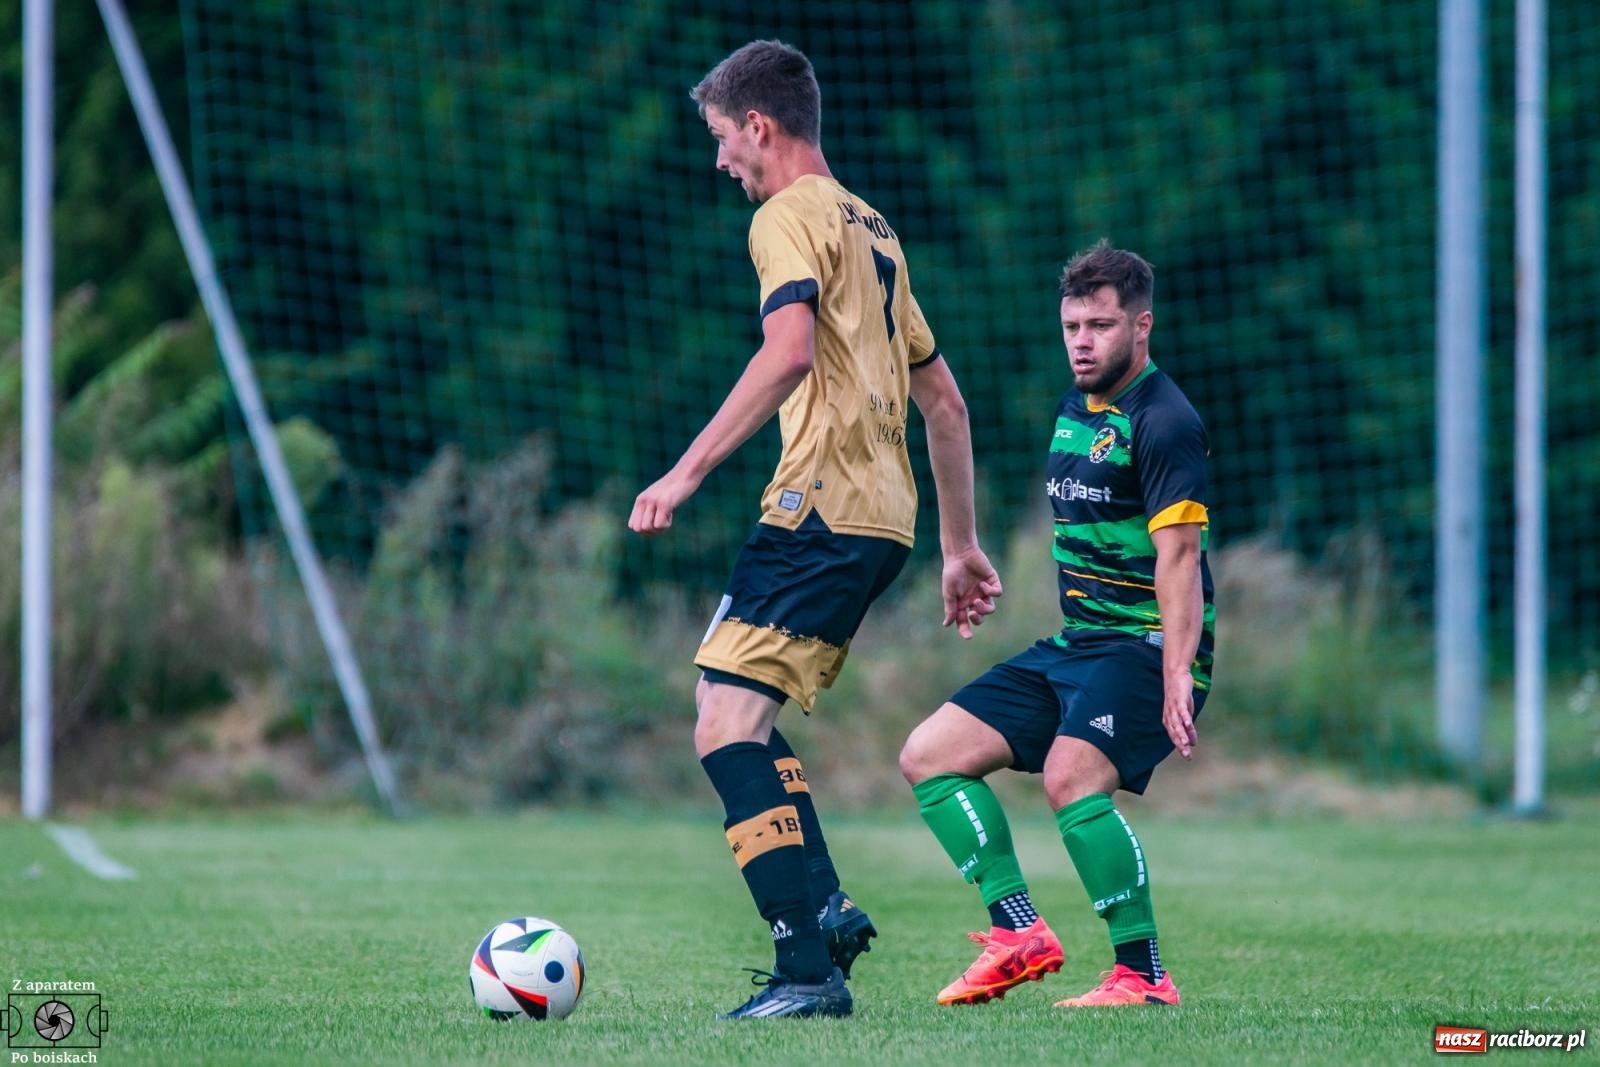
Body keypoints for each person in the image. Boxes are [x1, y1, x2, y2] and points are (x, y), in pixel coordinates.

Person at [628, 39, 1002, 1020]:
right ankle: (823, 905)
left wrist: (686, 467)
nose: (719, 163)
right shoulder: (873, 226)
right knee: (736, 705)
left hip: (820, 503)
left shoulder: (789, 216)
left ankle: (804, 967)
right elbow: (947, 405)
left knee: (722, 723)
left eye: (720, 139)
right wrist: (960, 546)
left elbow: (787, 350)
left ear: (759, 125)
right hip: (885, 519)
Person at [899, 241, 1215, 1009]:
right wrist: (965, 557)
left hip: (1146, 645)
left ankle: (1143, 977)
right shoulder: (1078, 407)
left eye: (1100, 325)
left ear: (1142, 327)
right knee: (929, 754)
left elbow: (1178, 558)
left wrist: (1179, 668)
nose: (1081, 340)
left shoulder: (1165, 420)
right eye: (1072, 324)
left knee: (1071, 777)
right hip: (1081, 643)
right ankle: (1018, 933)